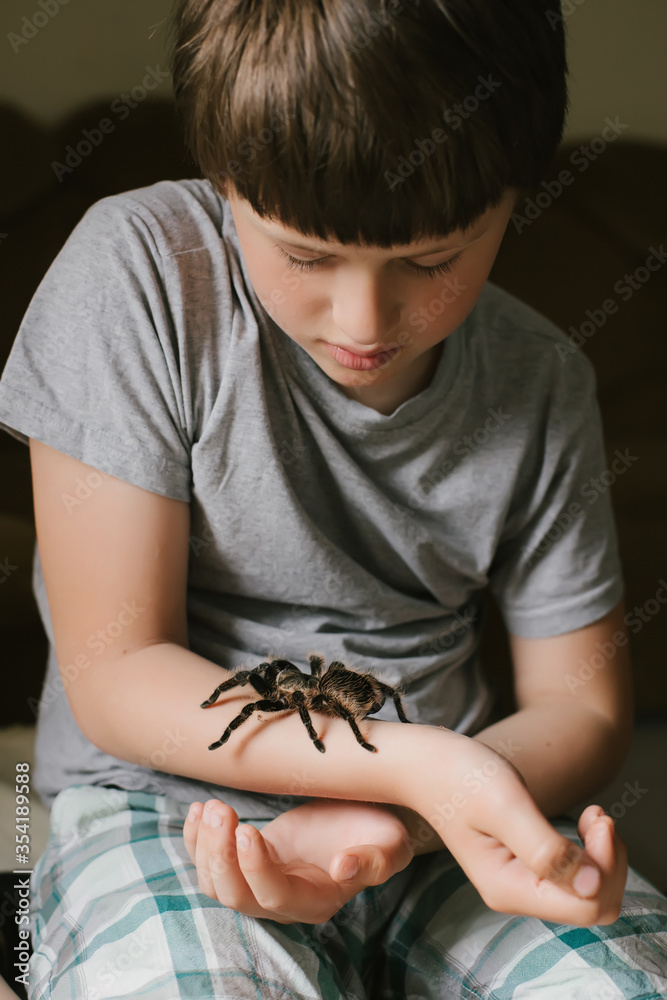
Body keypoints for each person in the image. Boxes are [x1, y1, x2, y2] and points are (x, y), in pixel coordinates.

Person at [0, 0, 666, 997]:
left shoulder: (543, 380)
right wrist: (407, 772)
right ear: (224, 186)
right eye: (305, 256)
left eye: (433, 260)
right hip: (161, 804)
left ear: (515, 198)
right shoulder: (138, 273)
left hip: (448, 816)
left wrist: (419, 804)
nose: (364, 319)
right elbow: (114, 668)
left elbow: (581, 705)